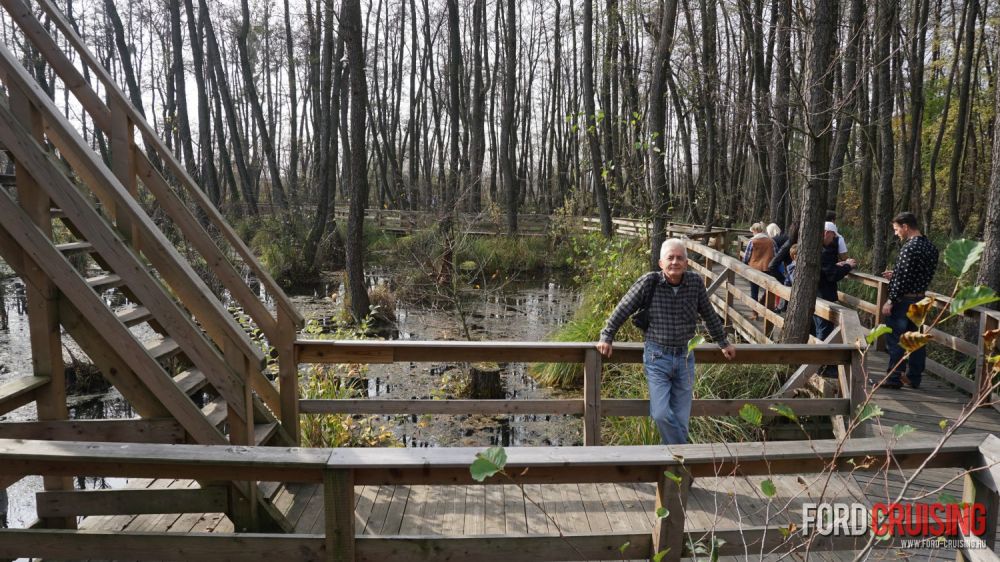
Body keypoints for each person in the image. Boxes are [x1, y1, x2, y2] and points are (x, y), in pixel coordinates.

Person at [597, 239, 736, 445]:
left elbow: (709, 314)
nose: (675, 262)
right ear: (661, 263)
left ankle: (674, 472)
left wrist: (723, 343)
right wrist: (607, 336)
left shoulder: (695, 283)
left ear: (686, 263)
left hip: (685, 357)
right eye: (670, 258)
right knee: (661, 414)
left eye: (680, 258)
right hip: (657, 356)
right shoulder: (649, 282)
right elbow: (623, 308)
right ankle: (685, 461)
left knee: (681, 420)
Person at [881, 212, 938, 390]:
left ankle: (894, 377)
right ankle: (914, 377)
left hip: (904, 301)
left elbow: (903, 280)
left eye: (897, 229)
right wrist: (896, 274)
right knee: (915, 339)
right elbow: (917, 274)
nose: (896, 233)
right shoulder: (931, 247)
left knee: (897, 339)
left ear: (906, 227)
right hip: (920, 298)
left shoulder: (909, 248)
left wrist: (890, 300)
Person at [816, 222, 857, 341]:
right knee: (824, 330)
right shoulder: (824, 252)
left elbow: (825, 268)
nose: (834, 239)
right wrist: (848, 266)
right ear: (827, 233)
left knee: (818, 327)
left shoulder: (816, 248)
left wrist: (835, 265)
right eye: (833, 236)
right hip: (823, 295)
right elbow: (832, 275)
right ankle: (821, 357)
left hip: (816, 294)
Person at [743, 222, 776, 315]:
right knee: (769, 290)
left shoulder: (752, 241)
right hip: (767, 268)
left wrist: (744, 266)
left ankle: (755, 312)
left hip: (754, 269)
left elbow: (746, 256)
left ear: (755, 231)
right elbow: (776, 254)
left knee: (754, 290)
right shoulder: (771, 241)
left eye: (752, 231)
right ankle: (767, 311)